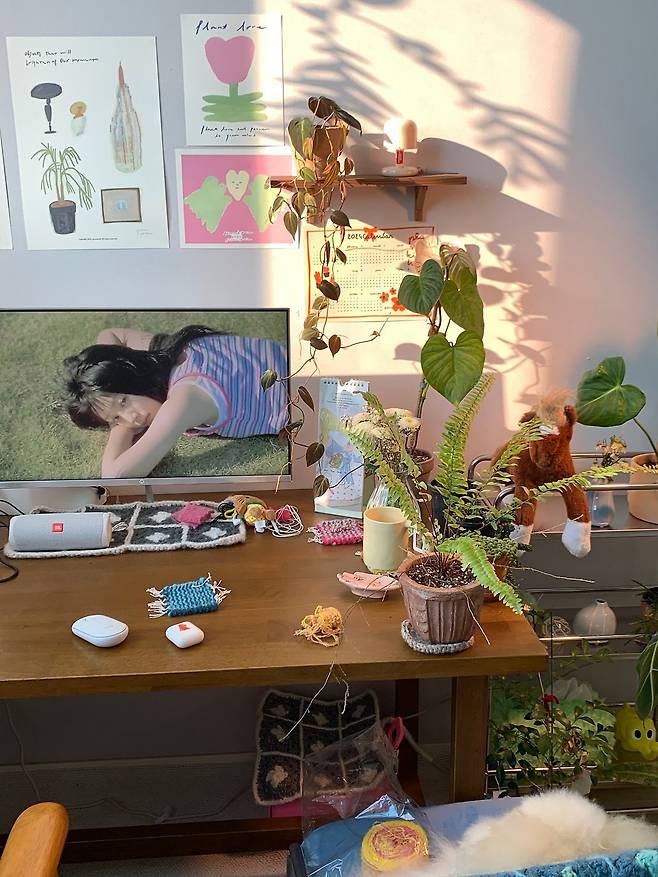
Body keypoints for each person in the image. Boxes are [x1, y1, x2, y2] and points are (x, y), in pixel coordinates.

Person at [63, 325, 288, 478]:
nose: (133, 418)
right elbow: (110, 335)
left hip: (304, 405)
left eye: (124, 401)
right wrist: (113, 407)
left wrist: (119, 427)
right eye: (115, 419)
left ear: (133, 375)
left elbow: (114, 475)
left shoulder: (185, 399)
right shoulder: (166, 352)